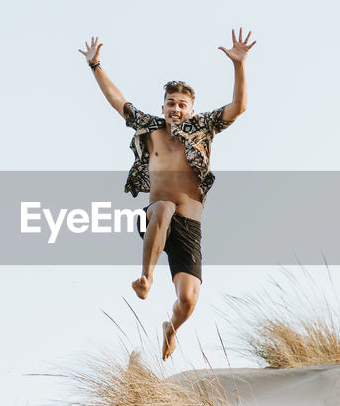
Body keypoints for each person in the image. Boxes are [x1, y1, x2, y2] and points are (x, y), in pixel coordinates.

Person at [78, 29, 254, 359]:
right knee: (163, 208)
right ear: (163, 106)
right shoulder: (150, 127)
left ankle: (170, 328)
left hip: (189, 226)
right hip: (156, 219)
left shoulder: (203, 127)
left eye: (182, 105)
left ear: (191, 109)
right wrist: (95, 65)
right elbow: (118, 101)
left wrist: (239, 65)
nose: (176, 108)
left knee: (188, 301)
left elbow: (239, 107)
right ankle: (146, 277)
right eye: (171, 103)